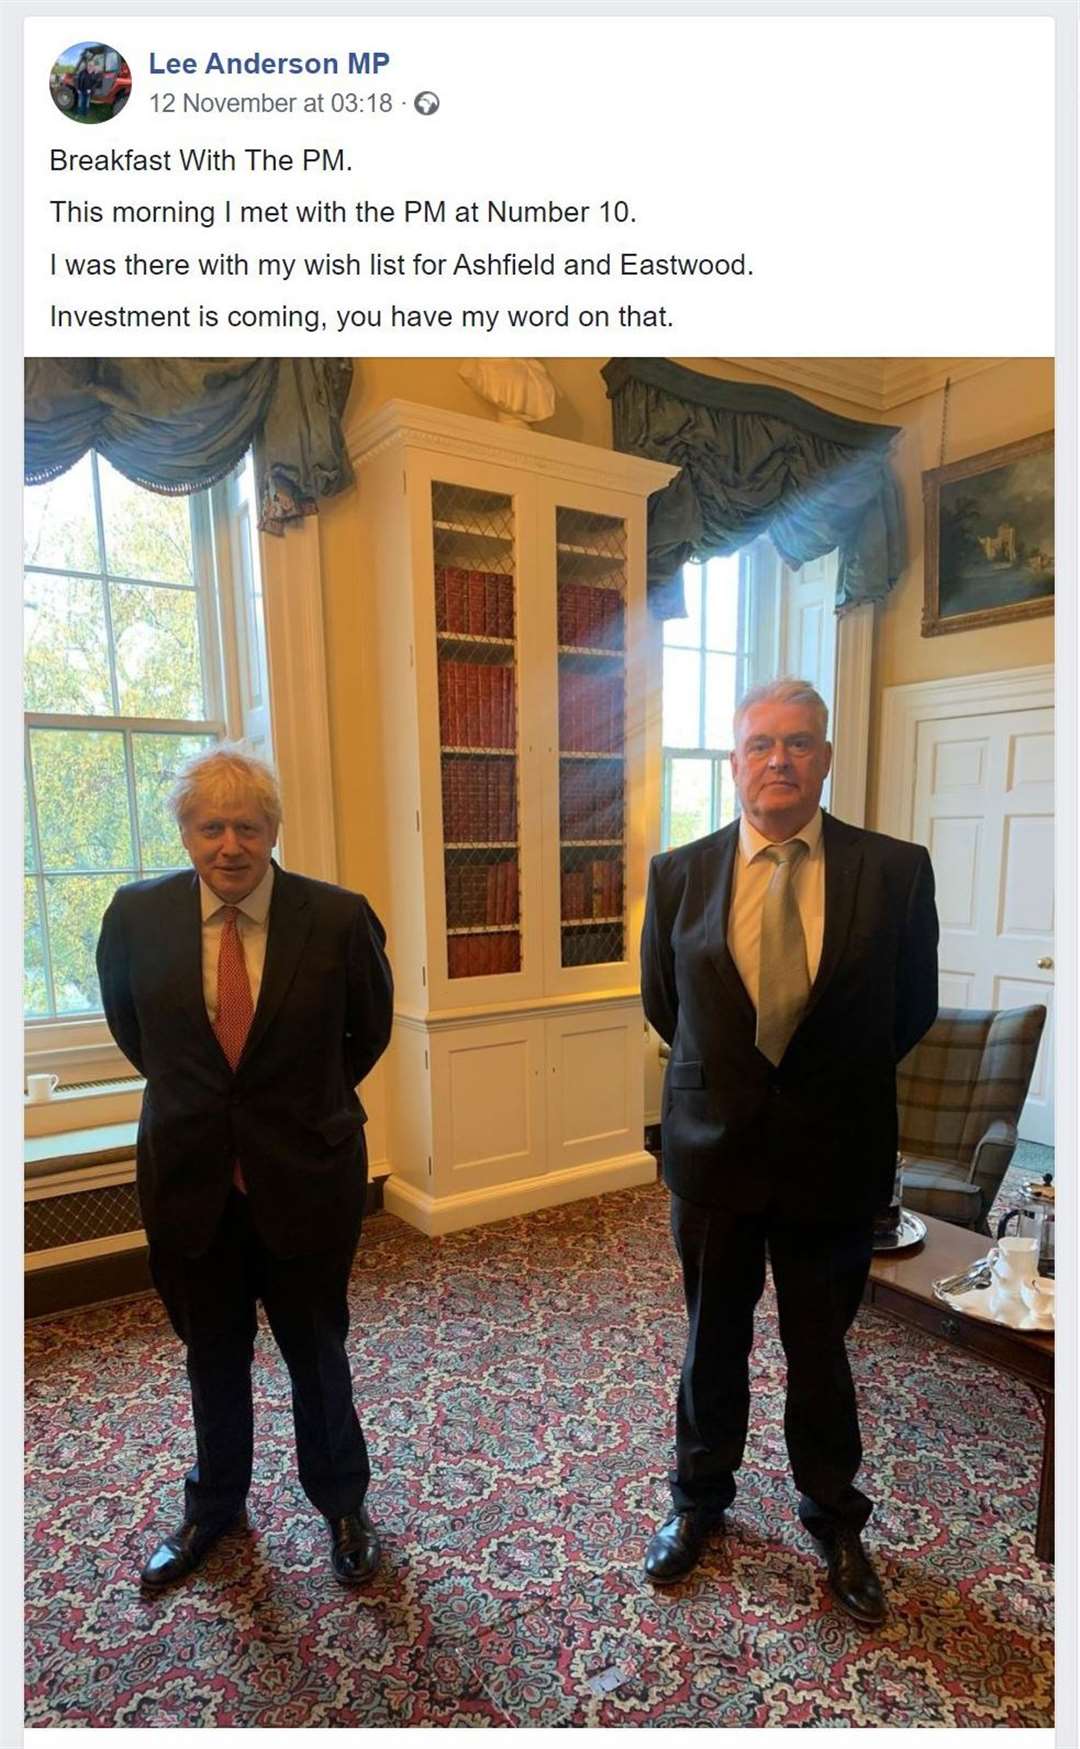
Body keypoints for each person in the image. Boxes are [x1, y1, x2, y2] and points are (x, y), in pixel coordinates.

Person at [640, 678, 938, 1625]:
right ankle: (699, 1502)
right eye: (761, 743)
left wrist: (816, 1085)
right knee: (709, 1342)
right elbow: (667, 1005)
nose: (780, 759)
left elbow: (910, 1006)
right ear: (734, 762)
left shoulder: (893, 869)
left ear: (827, 757)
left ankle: (834, 1513)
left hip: (833, 1155)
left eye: (799, 742)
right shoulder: (679, 871)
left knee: (821, 1348)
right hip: (713, 1151)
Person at [96, 748, 394, 1590]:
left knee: (316, 1346)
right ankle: (215, 1502)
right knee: (211, 1350)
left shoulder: (335, 917)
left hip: (305, 1174)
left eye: (247, 826)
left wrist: (292, 1109)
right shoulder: (135, 915)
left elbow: (364, 1035)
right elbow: (137, 1034)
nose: (229, 844)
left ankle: (343, 1502)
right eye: (210, 825)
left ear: (274, 830)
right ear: (185, 832)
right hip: (190, 1178)